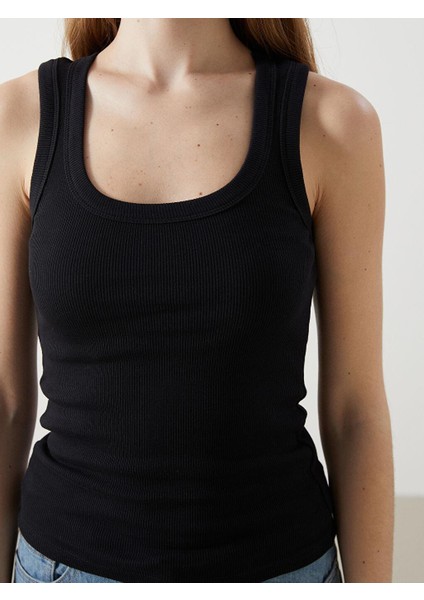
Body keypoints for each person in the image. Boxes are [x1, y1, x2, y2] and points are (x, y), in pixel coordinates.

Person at [0, 18, 394, 583]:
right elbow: (6, 401)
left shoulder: (333, 123)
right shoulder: (18, 118)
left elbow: (355, 411)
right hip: (61, 571)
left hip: (283, 571)